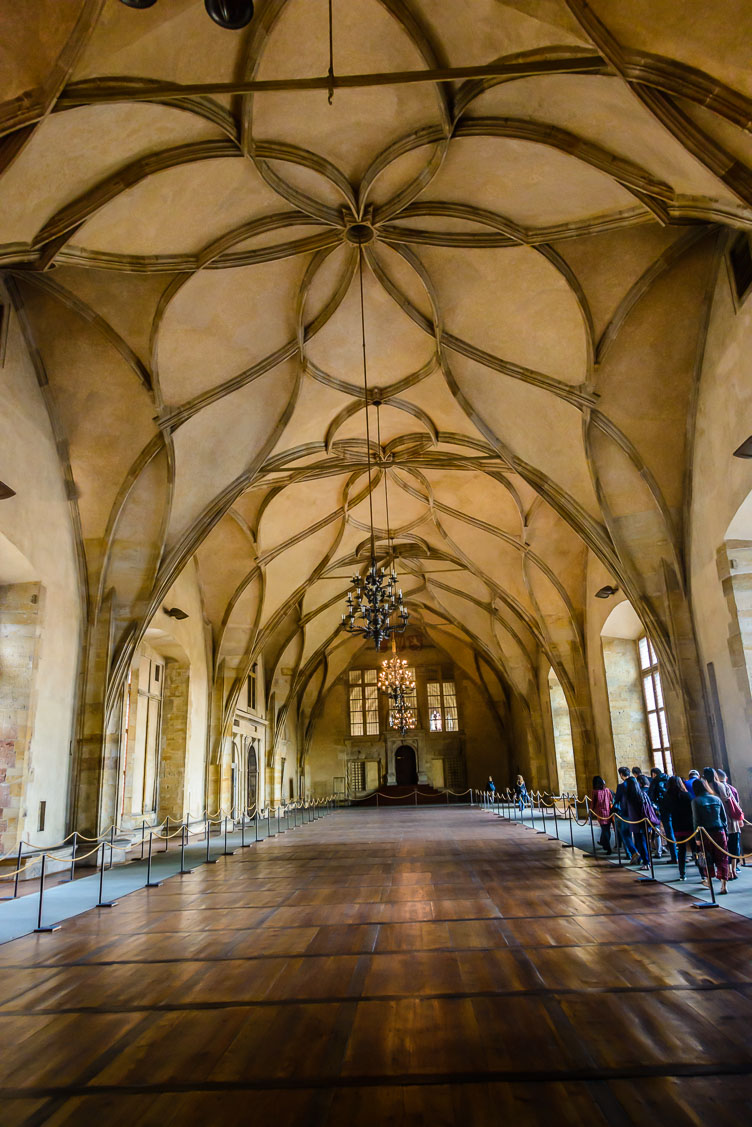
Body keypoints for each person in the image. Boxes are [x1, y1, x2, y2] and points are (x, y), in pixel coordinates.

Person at [691, 777, 729, 894]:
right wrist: (725, 832)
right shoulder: (716, 799)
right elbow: (724, 818)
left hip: (705, 833)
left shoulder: (696, 801)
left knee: (707, 858)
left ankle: (709, 882)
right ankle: (724, 885)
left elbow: (696, 821)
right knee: (722, 857)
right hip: (719, 831)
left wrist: (697, 837)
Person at [710, 769, 744, 881]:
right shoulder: (730, 787)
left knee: (726, 849)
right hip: (733, 822)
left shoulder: (713, 789)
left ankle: (729, 871)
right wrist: (740, 818)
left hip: (724, 823)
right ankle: (734, 870)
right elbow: (736, 804)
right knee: (734, 847)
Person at [664, 776, 695, 880]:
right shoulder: (687, 795)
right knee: (695, 849)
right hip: (689, 825)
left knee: (681, 851)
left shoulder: (667, 797)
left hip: (677, 826)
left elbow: (666, 811)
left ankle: (682, 873)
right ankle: (703, 873)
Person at [625, 776, 653, 870]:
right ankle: (645, 860)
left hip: (636, 822)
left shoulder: (629, 797)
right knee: (644, 841)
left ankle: (646, 861)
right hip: (644, 820)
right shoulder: (642, 793)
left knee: (640, 842)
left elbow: (625, 809)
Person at [614, 766, 640, 863]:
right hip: (637, 812)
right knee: (638, 835)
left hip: (626, 812)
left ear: (621, 774)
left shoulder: (621, 786)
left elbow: (617, 799)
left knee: (625, 833)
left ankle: (633, 852)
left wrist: (613, 809)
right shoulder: (636, 782)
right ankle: (640, 855)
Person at [648, 766, 675, 862]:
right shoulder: (669, 779)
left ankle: (673, 856)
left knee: (664, 831)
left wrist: (655, 808)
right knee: (674, 832)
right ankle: (676, 855)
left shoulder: (654, 782)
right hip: (673, 807)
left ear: (654, 774)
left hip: (661, 809)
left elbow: (650, 796)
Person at [590, 775, 614, 854]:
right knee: (606, 829)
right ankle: (603, 843)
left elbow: (593, 803)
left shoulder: (595, 792)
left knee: (604, 829)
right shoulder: (607, 790)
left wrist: (591, 811)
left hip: (600, 813)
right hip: (608, 812)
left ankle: (607, 847)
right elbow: (611, 799)